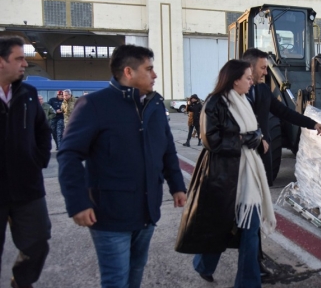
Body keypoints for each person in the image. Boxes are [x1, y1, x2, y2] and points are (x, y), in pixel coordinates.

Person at [57, 44, 187, 288]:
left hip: (147, 210)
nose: (155, 75)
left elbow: (167, 148)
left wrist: (177, 185)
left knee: (135, 272)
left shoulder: (155, 104)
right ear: (129, 72)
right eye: (149, 69)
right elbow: (69, 155)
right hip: (110, 214)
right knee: (116, 280)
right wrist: (77, 202)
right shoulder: (94, 105)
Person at [175, 59, 276, 288]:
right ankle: (203, 265)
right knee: (221, 226)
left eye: (252, 77)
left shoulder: (243, 100)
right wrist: (246, 139)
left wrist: (256, 139)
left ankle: (247, 282)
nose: (252, 82)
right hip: (223, 175)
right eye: (248, 78)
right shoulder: (214, 103)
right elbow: (212, 140)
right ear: (234, 79)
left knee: (249, 230)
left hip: (248, 173)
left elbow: (253, 130)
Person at [0, 36, 52, 288]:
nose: (25, 64)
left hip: (27, 187)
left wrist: (37, 161)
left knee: (38, 242)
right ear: (1, 62)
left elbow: (43, 131)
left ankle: (21, 282)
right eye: (19, 58)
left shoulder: (29, 94)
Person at [241, 48, 321, 186]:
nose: (266, 72)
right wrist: (256, 138)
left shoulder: (263, 90)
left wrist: (312, 124)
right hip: (241, 158)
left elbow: (285, 112)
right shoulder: (231, 94)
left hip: (262, 158)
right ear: (250, 67)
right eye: (263, 68)